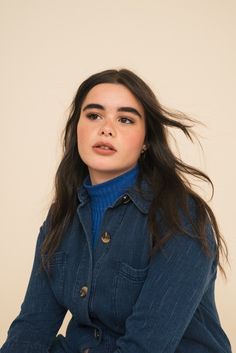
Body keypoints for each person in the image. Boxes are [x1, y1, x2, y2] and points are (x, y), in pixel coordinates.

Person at [1, 69, 232, 353]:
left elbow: (146, 347)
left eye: (125, 119)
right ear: (77, 129)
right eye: (94, 115)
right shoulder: (60, 218)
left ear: (146, 140)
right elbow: (32, 327)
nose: (106, 128)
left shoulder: (181, 215)